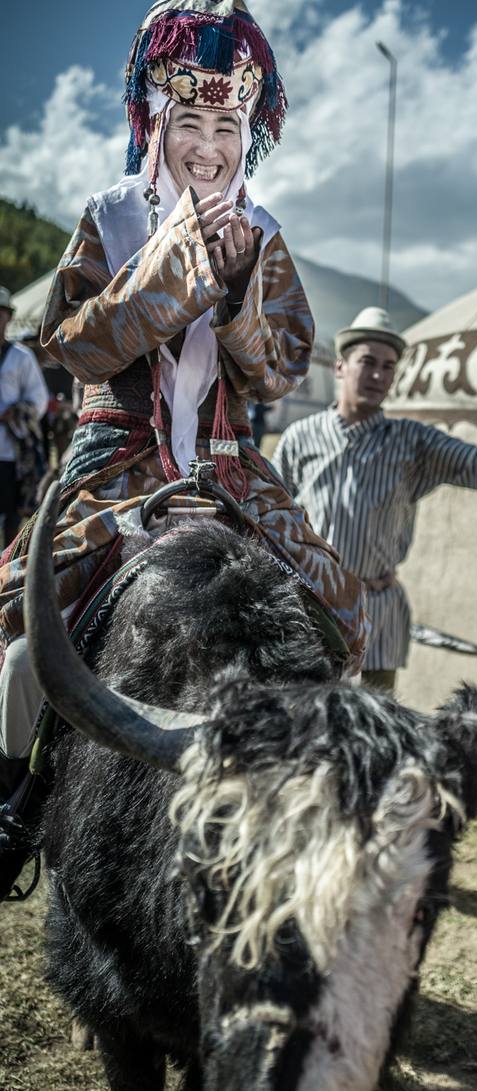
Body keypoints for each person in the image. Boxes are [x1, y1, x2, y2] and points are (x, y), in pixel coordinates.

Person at [0, 0, 367, 898]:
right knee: (17, 636)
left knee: (338, 612)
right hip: (113, 458)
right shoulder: (111, 217)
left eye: (228, 124)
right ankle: (12, 803)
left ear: (252, 133)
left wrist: (238, 288)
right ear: (155, 124)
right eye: (190, 122)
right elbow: (77, 345)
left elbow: (279, 371)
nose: (209, 145)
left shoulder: (266, 234)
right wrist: (169, 273)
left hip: (230, 468)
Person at [275, 307, 477, 692]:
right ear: (340, 367)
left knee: (378, 724)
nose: (378, 375)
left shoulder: (411, 442)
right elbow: (274, 511)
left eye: (388, 367)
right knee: (309, 715)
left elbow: (467, 459)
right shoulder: (299, 438)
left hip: (376, 607)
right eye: (367, 362)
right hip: (313, 608)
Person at [0, 289, 49, 549]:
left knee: (9, 511)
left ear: (8, 318)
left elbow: (38, 400)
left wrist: (14, 413)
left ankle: (4, 563)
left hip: (9, 450)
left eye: (1, 313)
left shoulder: (21, 357)